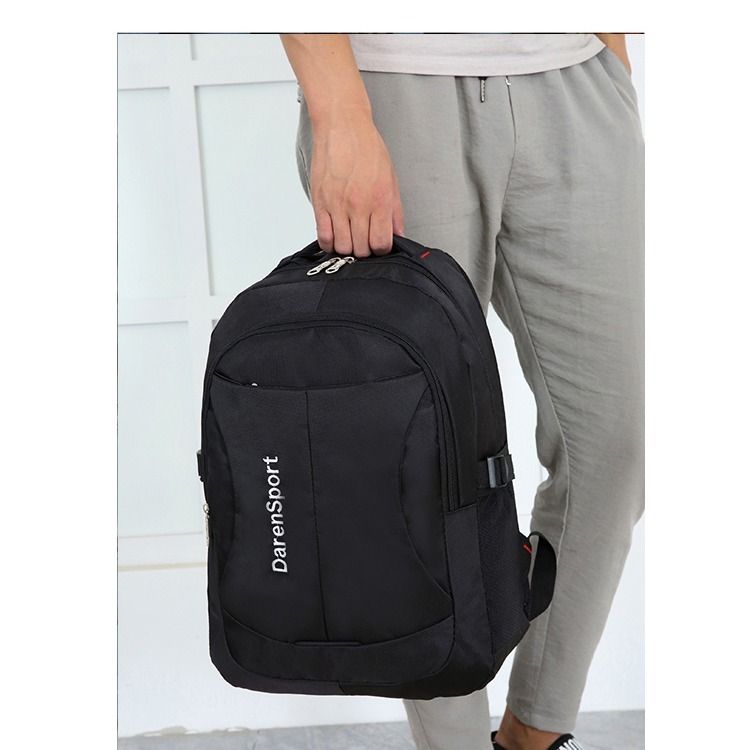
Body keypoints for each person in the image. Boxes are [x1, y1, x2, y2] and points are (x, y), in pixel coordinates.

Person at [280, 32, 644, 750]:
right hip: (392, 85)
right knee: (413, 467)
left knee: (617, 446)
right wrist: (340, 113)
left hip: (575, 79)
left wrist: (612, 54)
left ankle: (534, 733)